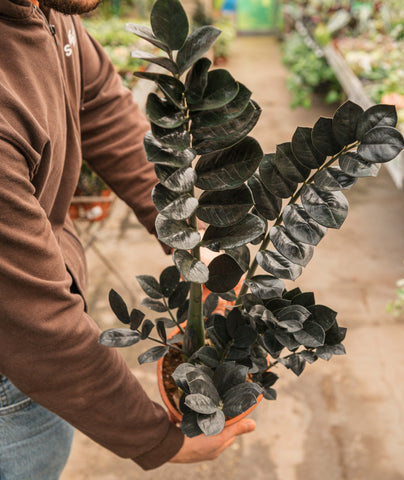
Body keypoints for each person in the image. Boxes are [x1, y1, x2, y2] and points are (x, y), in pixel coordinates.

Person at [0, 0, 256, 478]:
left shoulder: (44, 7)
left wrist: (194, 241)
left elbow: (97, 102)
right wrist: (156, 438)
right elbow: (37, 327)